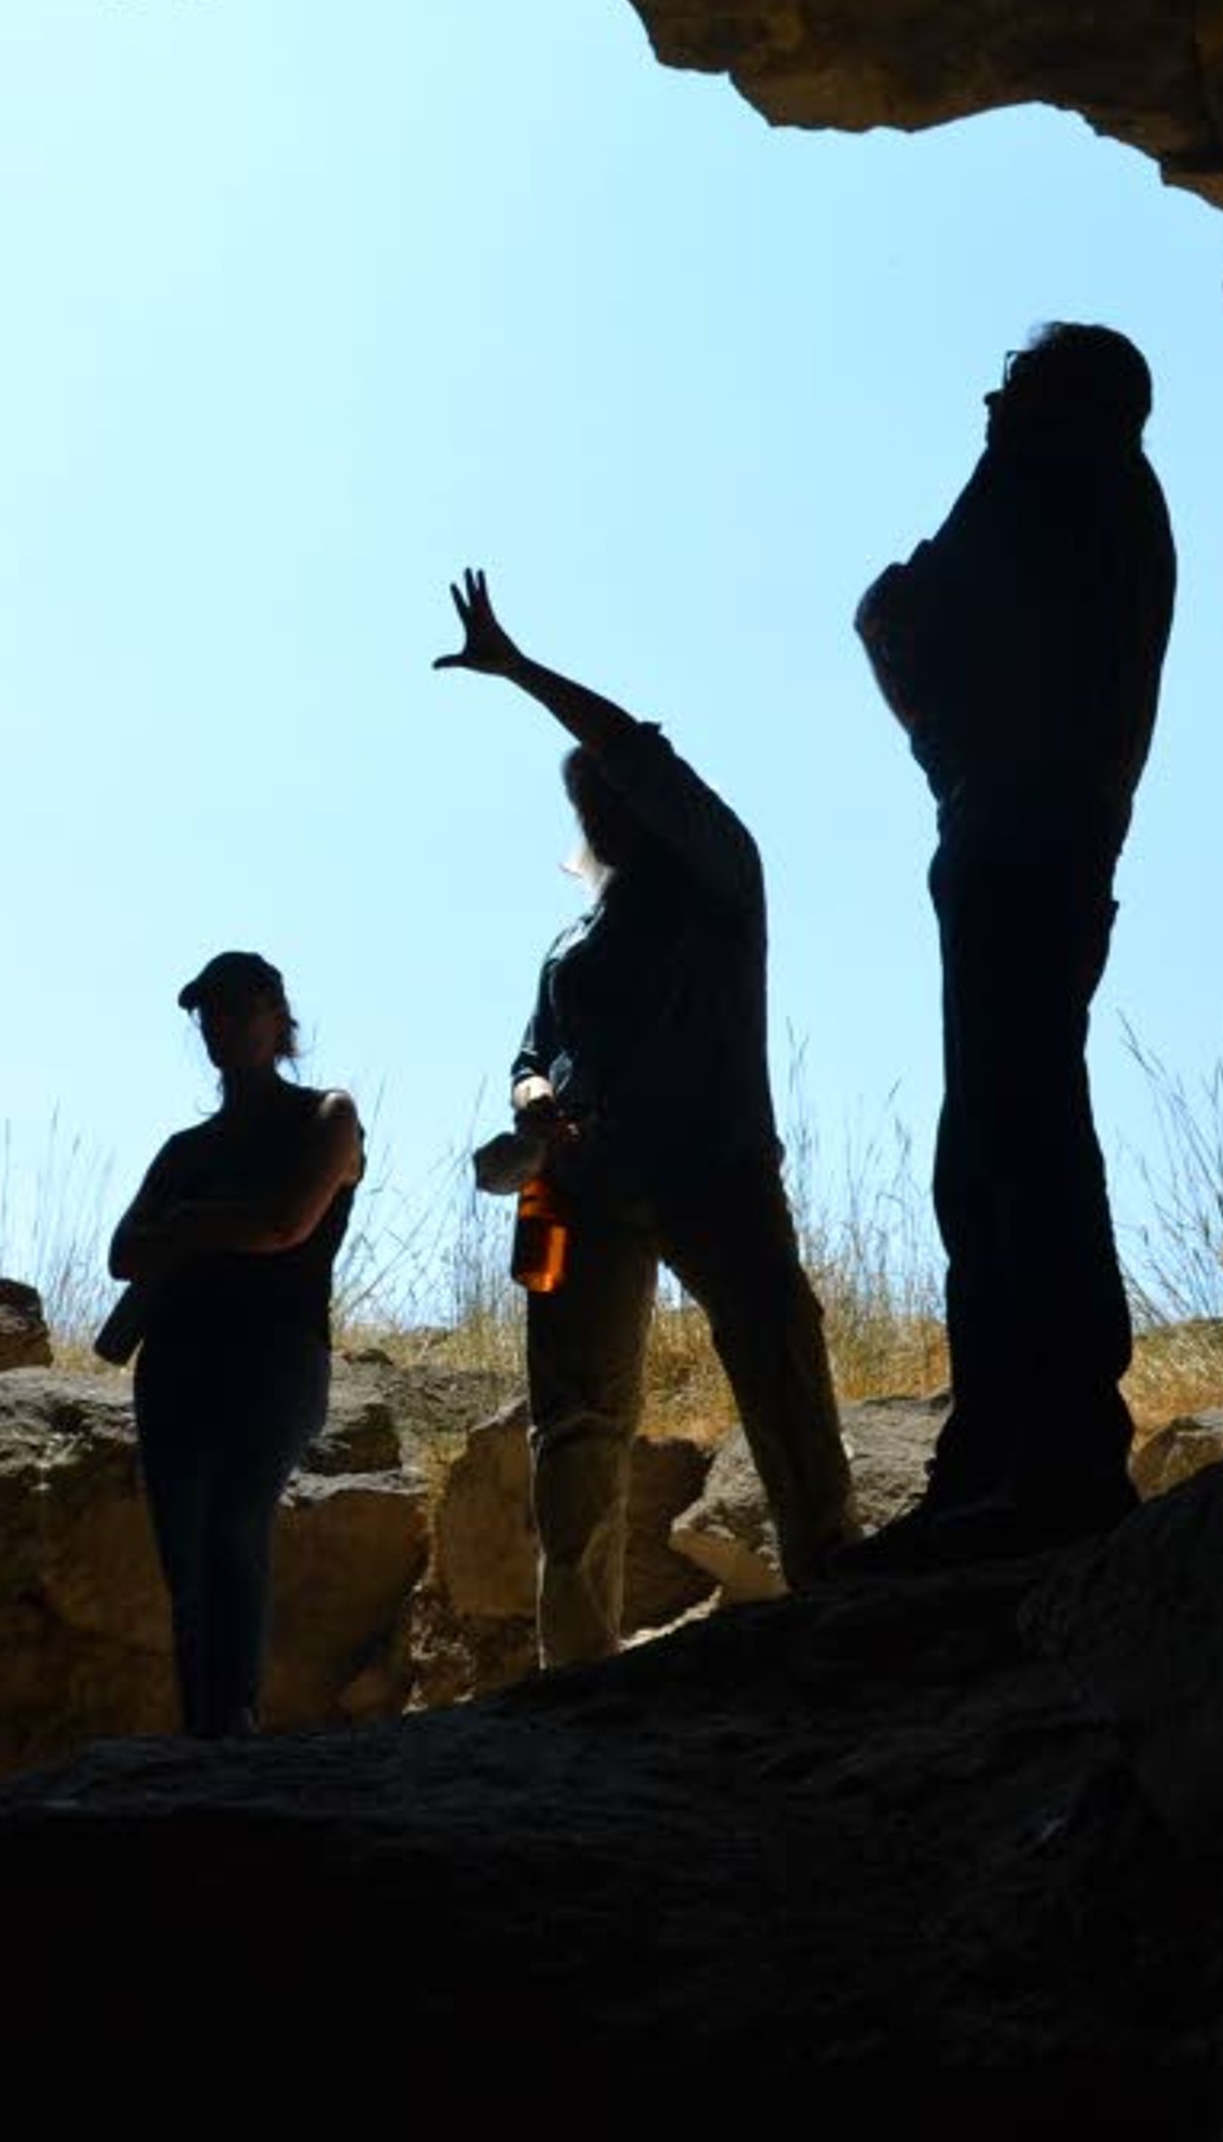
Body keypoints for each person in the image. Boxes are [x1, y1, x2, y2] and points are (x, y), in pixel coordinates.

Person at [438, 572, 857, 1665]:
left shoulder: (721, 873)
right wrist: (534, 1101)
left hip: (714, 1165)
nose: (598, 807)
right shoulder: (570, 941)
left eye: (610, 792)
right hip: (582, 1189)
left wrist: (521, 670)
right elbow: (533, 1051)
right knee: (574, 1420)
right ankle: (576, 1658)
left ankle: (839, 1588)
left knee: (777, 1360)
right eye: (587, 800)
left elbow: (630, 743)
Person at [853, 321, 1176, 1556]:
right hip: (1043, 830)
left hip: (1018, 829)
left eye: (1014, 390)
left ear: (1063, 401)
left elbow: (905, 608)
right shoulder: (1101, 488)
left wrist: (909, 660)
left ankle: (1046, 1456)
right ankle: (1011, 1450)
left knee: (1011, 1138)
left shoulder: (1048, 476)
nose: (990, 410)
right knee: (1003, 1131)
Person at [102, 951, 366, 1739]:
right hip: (180, 1359)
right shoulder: (189, 1148)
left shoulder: (326, 1114)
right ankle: (207, 1731)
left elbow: (286, 1225)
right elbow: (122, 1253)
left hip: (275, 1354)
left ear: (279, 1019)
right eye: (209, 1013)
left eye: (237, 1009)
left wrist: (188, 1227)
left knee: (232, 1530)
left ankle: (235, 1723)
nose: (220, 1025)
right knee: (188, 1555)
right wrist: (218, 1227)